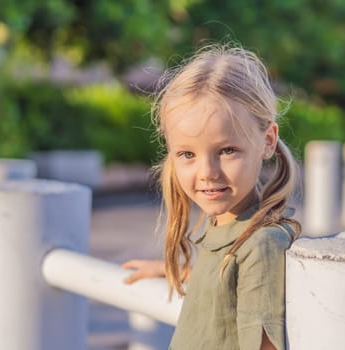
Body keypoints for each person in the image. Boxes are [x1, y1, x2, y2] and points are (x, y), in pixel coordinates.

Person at [122, 44, 301, 350]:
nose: (207, 172)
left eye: (227, 150)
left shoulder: (259, 245)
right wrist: (178, 271)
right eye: (187, 154)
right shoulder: (228, 230)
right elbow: (226, 289)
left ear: (268, 141)